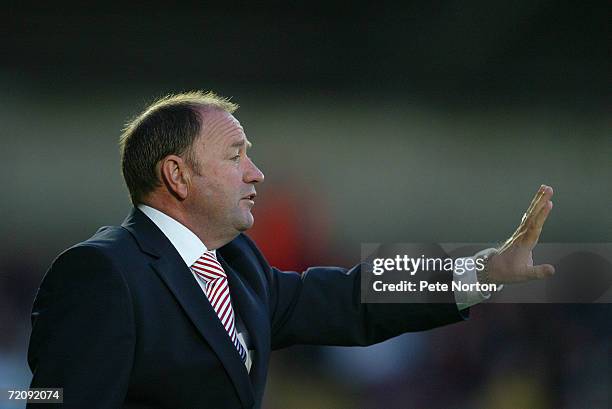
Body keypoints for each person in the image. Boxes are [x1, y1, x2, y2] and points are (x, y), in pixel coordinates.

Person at [27, 91, 555, 409]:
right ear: (177, 174)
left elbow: (354, 296)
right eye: (236, 155)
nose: (255, 173)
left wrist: (483, 269)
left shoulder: (239, 269)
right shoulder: (101, 272)